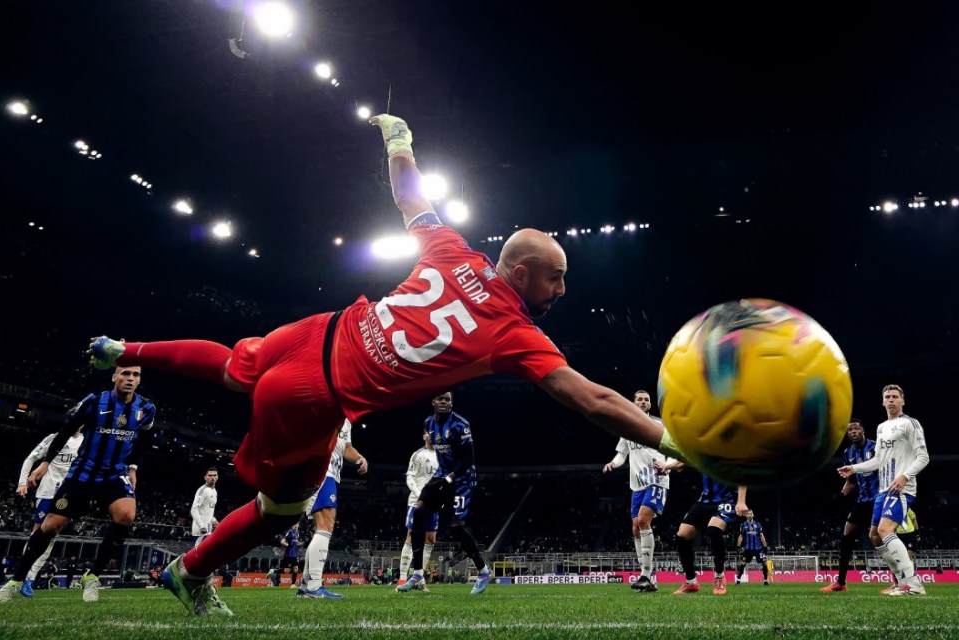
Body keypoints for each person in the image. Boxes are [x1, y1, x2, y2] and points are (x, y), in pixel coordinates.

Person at [82, 114, 678, 616]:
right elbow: (591, 398)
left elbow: (411, 197)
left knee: (234, 364)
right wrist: (672, 440)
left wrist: (400, 144)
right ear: (521, 276)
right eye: (558, 278)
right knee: (281, 510)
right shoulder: (513, 332)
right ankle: (189, 571)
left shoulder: (454, 251)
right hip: (314, 396)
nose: (564, 290)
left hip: (318, 329)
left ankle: (124, 349)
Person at [0, 366, 156, 604]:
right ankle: (16, 580)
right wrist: (45, 462)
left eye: (135, 375)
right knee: (50, 526)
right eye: (125, 373)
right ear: (114, 376)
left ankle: (92, 576)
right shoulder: (94, 402)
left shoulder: (146, 408)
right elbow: (66, 431)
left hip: (114, 474)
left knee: (126, 515)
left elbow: (146, 438)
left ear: (139, 379)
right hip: (83, 472)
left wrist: (133, 466)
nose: (130, 379)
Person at [838, 384, 929, 596]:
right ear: (882, 401)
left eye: (895, 397)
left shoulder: (910, 424)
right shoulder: (881, 428)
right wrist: (854, 468)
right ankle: (899, 582)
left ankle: (914, 584)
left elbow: (923, 457)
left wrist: (905, 476)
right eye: (887, 397)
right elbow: (878, 460)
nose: (891, 400)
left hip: (901, 488)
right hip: (883, 490)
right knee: (875, 535)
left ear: (902, 401)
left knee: (885, 530)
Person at [397, 392, 491, 595]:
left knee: (456, 528)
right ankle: (418, 574)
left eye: (447, 400)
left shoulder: (460, 425)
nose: (444, 402)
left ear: (451, 403)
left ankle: (483, 571)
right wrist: (443, 477)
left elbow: (468, 459)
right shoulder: (429, 423)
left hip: (462, 479)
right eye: (440, 399)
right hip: (441, 476)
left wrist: (450, 478)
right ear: (433, 401)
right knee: (418, 515)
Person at [602, 389, 675, 592]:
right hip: (637, 485)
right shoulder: (626, 428)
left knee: (643, 521)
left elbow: (672, 448)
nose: (643, 402)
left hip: (657, 479)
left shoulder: (659, 424)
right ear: (633, 404)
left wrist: (666, 464)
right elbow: (621, 455)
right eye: (640, 399)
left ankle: (645, 574)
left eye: (647, 400)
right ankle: (649, 575)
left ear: (650, 404)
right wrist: (612, 464)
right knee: (635, 527)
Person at [297, 418, 368, 599]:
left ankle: (306, 585)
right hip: (321, 470)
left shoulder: (346, 422)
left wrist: (360, 458)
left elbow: (345, 447)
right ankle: (313, 587)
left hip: (331, 474)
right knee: (325, 526)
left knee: (322, 528)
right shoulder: (325, 409)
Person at [15, 424, 84, 597]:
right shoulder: (54, 438)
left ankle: (30, 579)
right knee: (37, 534)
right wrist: (22, 482)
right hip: (48, 491)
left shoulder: (84, 441)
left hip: (68, 493)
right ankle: (21, 577)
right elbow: (31, 458)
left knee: (52, 537)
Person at [820, 419, 878, 593]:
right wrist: (840, 495)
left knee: (881, 538)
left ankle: (900, 580)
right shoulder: (848, 453)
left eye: (856, 429)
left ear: (863, 431)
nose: (853, 432)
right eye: (850, 430)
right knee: (846, 537)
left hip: (878, 500)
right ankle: (841, 582)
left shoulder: (876, 447)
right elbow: (851, 482)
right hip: (862, 501)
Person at [672, 473, 748, 595]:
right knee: (682, 535)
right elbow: (684, 460)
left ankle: (719, 576)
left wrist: (741, 501)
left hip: (726, 499)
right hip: (704, 501)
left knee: (714, 530)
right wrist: (667, 467)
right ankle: (691, 582)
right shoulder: (702, 454)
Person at [397, 427, 439, 590]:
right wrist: (420, 494)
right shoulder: (418, 455)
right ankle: (401, 578)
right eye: (429, 432)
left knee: (430, 539)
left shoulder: (442, 456)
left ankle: (419, 578)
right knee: (411, 536)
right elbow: (410, 477)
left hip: (434, 503)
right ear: (424, 436)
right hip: (417, 501)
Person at [734, 510, 769, 585]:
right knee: (743, 563)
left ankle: (766, 580)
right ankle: (738, 580)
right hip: (747, 549)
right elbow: (741, 536)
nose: (749, 515)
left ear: (753, 515)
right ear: (746, 516)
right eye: (748, 514)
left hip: (758, 549)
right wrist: (738, 546)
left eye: (751, 513)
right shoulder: (743, 524)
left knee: (764, 563)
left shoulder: (758, 524)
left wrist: (765, 546)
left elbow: (761, 535)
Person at [191, 467, 220, 547]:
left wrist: (214, 520)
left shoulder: (214, 491)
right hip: (200, 531)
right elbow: (194, 510)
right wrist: (201, 526)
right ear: (205, 477)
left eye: (214, 475)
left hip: (209, 529)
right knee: (198, 555)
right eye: (210, 475)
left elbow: (208, 510)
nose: (212, 477)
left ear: (217, 477)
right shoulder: (202, 490)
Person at [272, 523, 300, 588]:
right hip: (289, 555)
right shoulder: (290, 532)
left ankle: (293, 584)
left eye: (297, 524)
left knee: (296, 569)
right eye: (294, 524)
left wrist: (300, 544)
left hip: (295, 555)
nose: (296, 525)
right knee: (287, 571)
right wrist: (287, 545)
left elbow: (295, 543)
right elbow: (282, 541)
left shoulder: (297, 533)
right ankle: (274, 571)